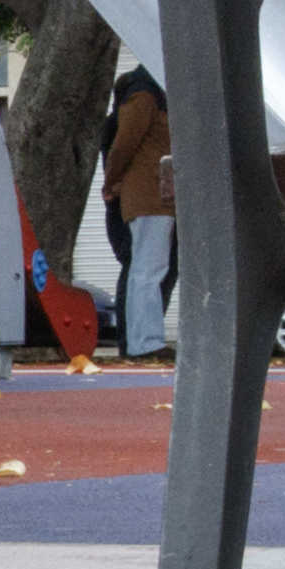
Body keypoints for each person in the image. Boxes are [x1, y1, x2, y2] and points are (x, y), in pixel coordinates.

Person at [100, 67, 175, 358]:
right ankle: (146, 343)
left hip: (151, 192)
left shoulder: (145, 93)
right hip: (149, 192)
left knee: (145, 268)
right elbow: (124, 144)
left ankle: (139, 342)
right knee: (149, 269)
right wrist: (111, 181)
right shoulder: (145, 94)